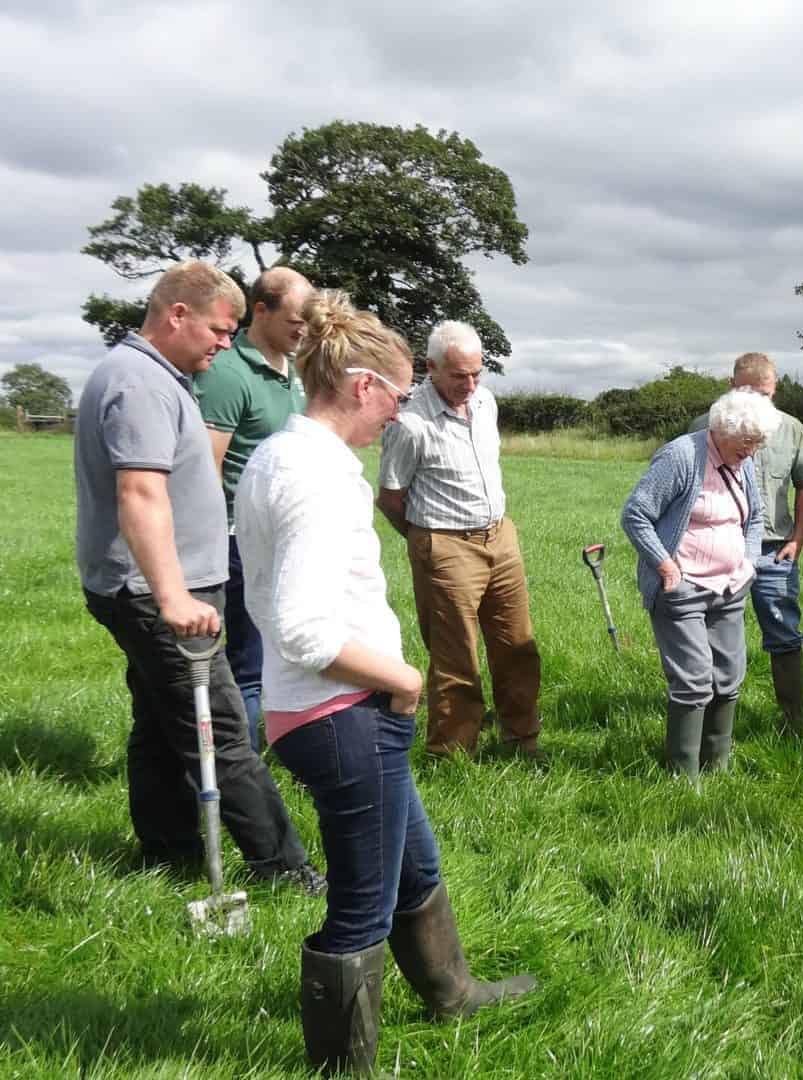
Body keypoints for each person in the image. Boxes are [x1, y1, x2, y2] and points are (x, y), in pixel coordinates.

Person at [237, 291, 535, 1071]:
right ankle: (345, 1065)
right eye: (397, 397)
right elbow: (302, 625)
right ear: (362, 385)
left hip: (326, 710)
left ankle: (452, 991)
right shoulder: (318, 476)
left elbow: (266, 598)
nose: (400, 415)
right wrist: (405, 676)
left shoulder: (281, 452)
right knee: (359, 907)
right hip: (340, 717)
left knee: (417, 867)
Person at [73, 260, 322, 894]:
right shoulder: (141, 384)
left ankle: (167, 849)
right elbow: (138, 493)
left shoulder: (155, 376)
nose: (223, 341)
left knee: (160, 724)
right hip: (157, 591)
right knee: (225, 730)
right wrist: (173, 594)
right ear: (177, 313)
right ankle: (283, 868)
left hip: (161, 585)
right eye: (217, 328)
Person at [377, 321, 543, 758]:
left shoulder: (486, 403)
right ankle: (452, 754)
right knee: (456, 659)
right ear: (430, 368)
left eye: (476, 373)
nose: (469, 384)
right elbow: (391, 497)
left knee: (517, 647)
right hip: (445, 543)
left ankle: (522, 740)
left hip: (500, 537)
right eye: (457, 376)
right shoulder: (409, 421)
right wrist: (428, 542)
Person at [623, 389, 778, 774]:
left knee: (728, 678)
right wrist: (665, 567)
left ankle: (718, 768)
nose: (751, 453)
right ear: (722, 430)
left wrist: (748, 563)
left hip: (730, 587)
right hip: (684, 588)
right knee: (693, 681)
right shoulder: (681, 457)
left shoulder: (741, 461)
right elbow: (635, 515)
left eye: (757, 445)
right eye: (746, 444)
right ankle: (683, 777)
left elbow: (755, 518)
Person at [195, 266, 313, 750]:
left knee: (280, 654)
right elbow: (206, 467)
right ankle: (242, 766)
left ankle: (272, 750)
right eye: (295, 320)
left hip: (283, 534)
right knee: (248, 662)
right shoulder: (228, 373)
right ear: (259, 310)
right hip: (237, 539)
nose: (303, 330)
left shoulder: (294, 373)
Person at [688, 353, 803, 731]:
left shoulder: (792, 429)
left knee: (784, 630)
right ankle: (712, 722)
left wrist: (797, 538)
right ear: (732, 386)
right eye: (747, 391)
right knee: (714, 633)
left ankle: (794, 720)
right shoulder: (703, 427)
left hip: (773, 549)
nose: (755, 400)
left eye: (764, 394)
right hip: (717, 547)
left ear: (774, 390)